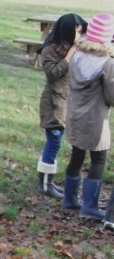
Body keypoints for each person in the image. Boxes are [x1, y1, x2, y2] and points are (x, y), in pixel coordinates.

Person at [62, 12, 114, 220]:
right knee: (99, 158)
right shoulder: (107, 63)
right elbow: (112, 97)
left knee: (77, 154)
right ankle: (90, 206)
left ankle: (70, 199)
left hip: (75, 113)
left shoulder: (76, 55)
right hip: (94, 119)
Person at [36, 12, 86, 197]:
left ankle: (48, 181)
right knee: (54, 142)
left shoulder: (72, 49)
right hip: (53, 104)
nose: (79, 36)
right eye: (77, 31)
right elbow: (53, 73)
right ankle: (44, 184)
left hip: (66, 104)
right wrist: (71, 53)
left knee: (56, 142)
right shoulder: (49, 49)